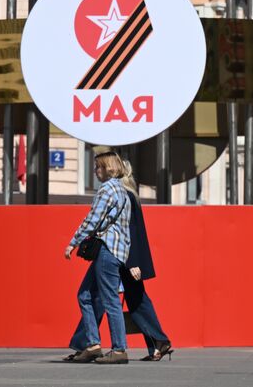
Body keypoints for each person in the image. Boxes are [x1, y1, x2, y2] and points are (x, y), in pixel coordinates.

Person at [64, 149, 133, 365]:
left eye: (98, 167)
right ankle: (93, 345)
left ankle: (119, 349)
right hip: (117, 251)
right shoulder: (123, 191)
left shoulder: (107, 190)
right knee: (85, 295)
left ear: (107, 168)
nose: (95, 171)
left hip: (107, 251)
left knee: (110, 299)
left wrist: (73, 242)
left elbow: (92, 220)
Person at [104, 160, 174, 361]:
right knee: (137, 300)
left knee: (137, 301)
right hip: (129, 257)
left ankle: (160, 341)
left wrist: (132, 261)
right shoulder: (130, 194)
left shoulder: (125, 196)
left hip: (127, 257)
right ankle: (156, 347)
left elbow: (130, 231)